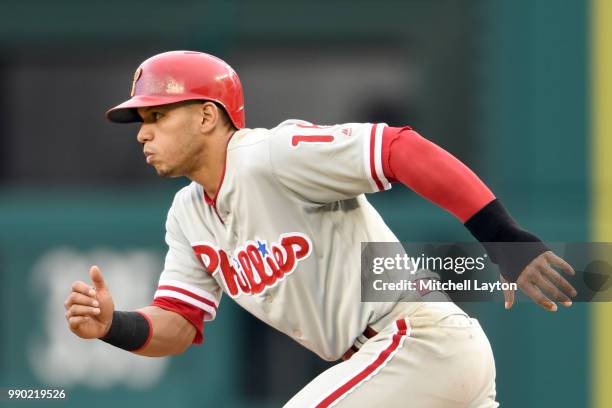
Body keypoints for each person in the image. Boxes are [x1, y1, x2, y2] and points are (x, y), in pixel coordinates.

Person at [64, 51, 577, 407]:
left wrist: (503, 236)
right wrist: (114, 326)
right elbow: (177, 323)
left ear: (205, 116)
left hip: (416, 342)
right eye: (141, 121)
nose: (144, 133)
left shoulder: (271, 157)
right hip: (392, 368)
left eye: (156, 114)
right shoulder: (187, 214)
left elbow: (400, 149)